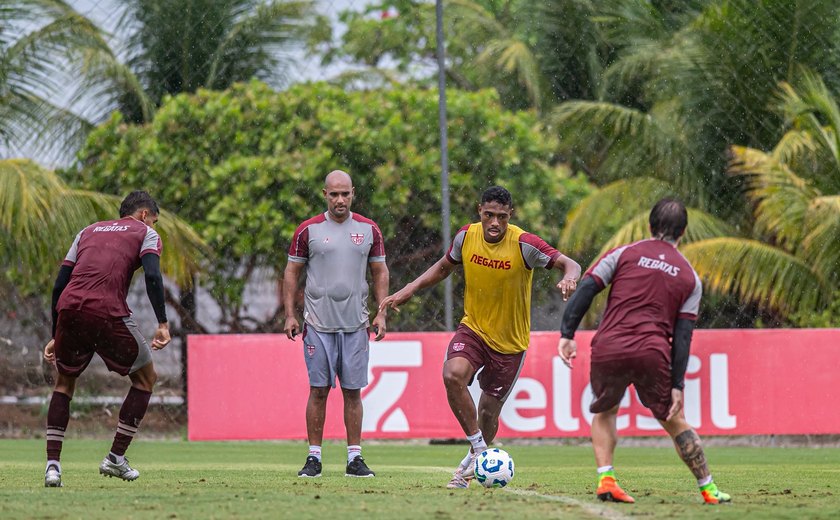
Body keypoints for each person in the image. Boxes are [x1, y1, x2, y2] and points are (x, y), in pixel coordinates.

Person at [380, 186, 581, 489]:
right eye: (489, 215)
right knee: (452, 374)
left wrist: (569, 277)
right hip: (473, 329)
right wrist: (411, 287)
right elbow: (444, 266)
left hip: (510, 344)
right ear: (480, 212)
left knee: (488, 410)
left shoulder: (525, 244)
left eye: (501, 217)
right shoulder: (466, 236)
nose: (495, 223)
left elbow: (571, 263)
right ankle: (481, 452)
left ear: (510, 215)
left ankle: (469, 464)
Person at [558, 197, 731, 505]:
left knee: (605, 410)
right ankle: (708, 488)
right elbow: (683, 336)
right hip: (652, 351)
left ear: (650, 225)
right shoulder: (690, 277)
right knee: (674, 419)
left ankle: (607, 479)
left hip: (610, 346)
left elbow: (587, 287)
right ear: (683, 232)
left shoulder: (625, 253)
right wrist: (677, 384)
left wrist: (567, 334)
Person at [42, 191, 171, 488]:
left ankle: (52, 467)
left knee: (64, 383)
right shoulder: (145, 232)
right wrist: (163, 322)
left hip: (70, 310)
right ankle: (115, 458)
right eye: (154, 219)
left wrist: (55, 331)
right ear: (143, 215)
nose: (154, 225)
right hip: (107, 312)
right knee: (146, 378)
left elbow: (60, 284)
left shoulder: (87, 231)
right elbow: (152, 276)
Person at [284, 170, 389, 478]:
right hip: (317, 324)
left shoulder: (369, 230)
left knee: (352, 391)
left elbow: (380, 273)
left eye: (345, 194)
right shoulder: (308, 230)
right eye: (334, 194)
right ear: (325, 194)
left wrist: (381, 313)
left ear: (353, 193)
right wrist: (290, 314)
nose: (340, 200)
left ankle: (354, 458)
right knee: (318, 390)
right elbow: (292, 272)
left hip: (356, 325)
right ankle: (313, 458)